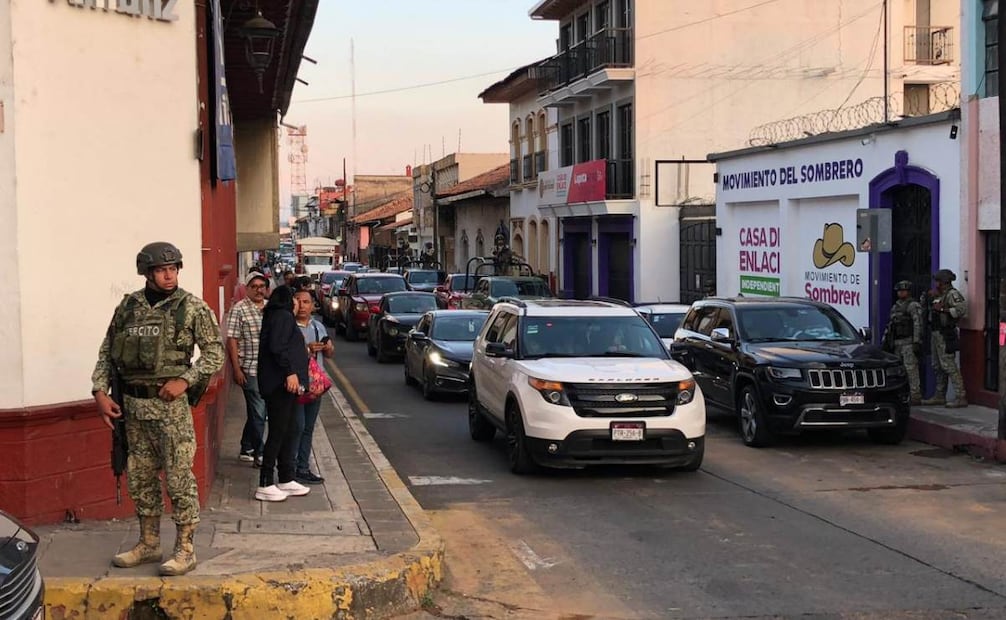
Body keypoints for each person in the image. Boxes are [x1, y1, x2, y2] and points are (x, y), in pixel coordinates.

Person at [91, 242, 224, 576]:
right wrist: (99, 391)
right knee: (140, 477)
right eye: (162, 270)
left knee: (179, 478)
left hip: (170, 410)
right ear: (147, 273)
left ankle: (185, 548)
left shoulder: (191, 307)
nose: (169, 275)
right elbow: (108, 351)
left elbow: (214, 354)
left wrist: (186, 379)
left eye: (174, 268)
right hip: (133, 409)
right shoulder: (128, 307)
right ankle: (149, 543)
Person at [255, 285, 312, 502]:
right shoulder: (282, 317)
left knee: (288, 430)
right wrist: (290, 372)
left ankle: (286, 477)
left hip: (286, 384)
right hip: (279, 384)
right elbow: (277, 347)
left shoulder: (282, 317)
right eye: (295, 299)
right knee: (278, 431)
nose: (298, 303)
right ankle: (265, 481)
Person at [291, 288, 334, 485]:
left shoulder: (318, 327)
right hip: (295, 385)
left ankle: (303, 467)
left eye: (306, 302)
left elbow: (328, 354)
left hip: (314, 385)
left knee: (308, 427)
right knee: (296, 427)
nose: (302, 306)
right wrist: (306, 350)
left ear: (312, 306)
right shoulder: (289, 327)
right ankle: (289, 467)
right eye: (298, 301)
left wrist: (327, 347)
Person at [227, 271, 270, 467]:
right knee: (259, 411)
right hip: (249, 368)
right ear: (247, 289)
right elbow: (232, 340)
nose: (259, 290)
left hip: (269, 369)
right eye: (254, 287)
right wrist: (236, 369)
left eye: (262, 286)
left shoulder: (270, 309)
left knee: (258, 411)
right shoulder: (239, 309)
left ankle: (246, 446)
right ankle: (260, 453)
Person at [922, 269, 968, 408]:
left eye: (938, 281)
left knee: (949, 365)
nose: (936, 284)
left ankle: (961, 396)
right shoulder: (939, 295)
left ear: (944, 282)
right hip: (935, 333)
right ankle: (939, 395)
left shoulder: (952, 294)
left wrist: (943, 310)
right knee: (937, 366)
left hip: (945, 334)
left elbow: (961, 309)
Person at [884, 280, 924, 405]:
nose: (901, 293)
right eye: (899, 291)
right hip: (897, 343)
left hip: (908, 342)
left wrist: (917, 341)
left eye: (903, 290)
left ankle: (915, 395)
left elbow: (918, 324)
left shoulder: (913, 305)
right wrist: (885, 342)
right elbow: (890, 326)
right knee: (898, 371)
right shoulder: (895, 307)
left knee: (911, 369)